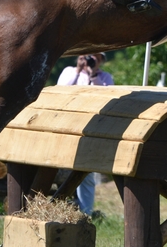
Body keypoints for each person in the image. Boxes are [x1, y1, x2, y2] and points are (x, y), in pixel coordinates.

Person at [56, 53, 113, 214]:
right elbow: (60, 90)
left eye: (96, 58)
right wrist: (78, 71)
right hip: (66, 125)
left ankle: (85, 213)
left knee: (86, 174)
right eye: (88, 55)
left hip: (91, 129)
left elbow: (107, 97)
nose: (91, 60)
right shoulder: (69, 71)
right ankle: (52, 208)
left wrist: (93, 76)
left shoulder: (105, 77)